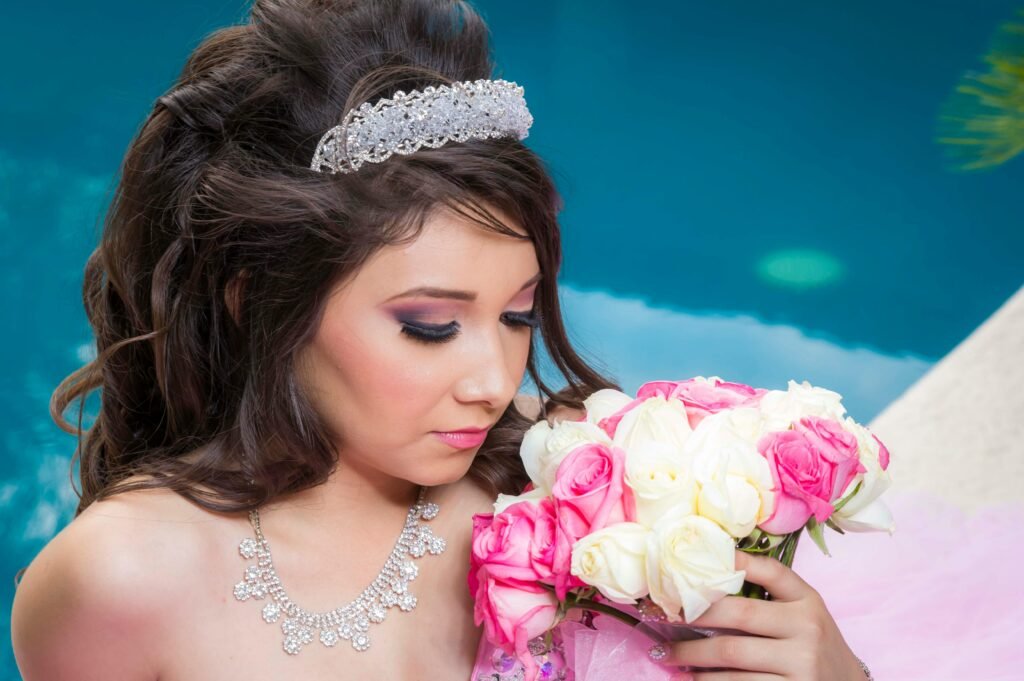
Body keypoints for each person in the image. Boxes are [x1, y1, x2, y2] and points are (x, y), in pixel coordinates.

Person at [10, 1, 871, 679]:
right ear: (255, 301)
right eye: (430, 326)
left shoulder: (573, 492)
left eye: (518, 316)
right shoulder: (118, 582)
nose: (494, 380)